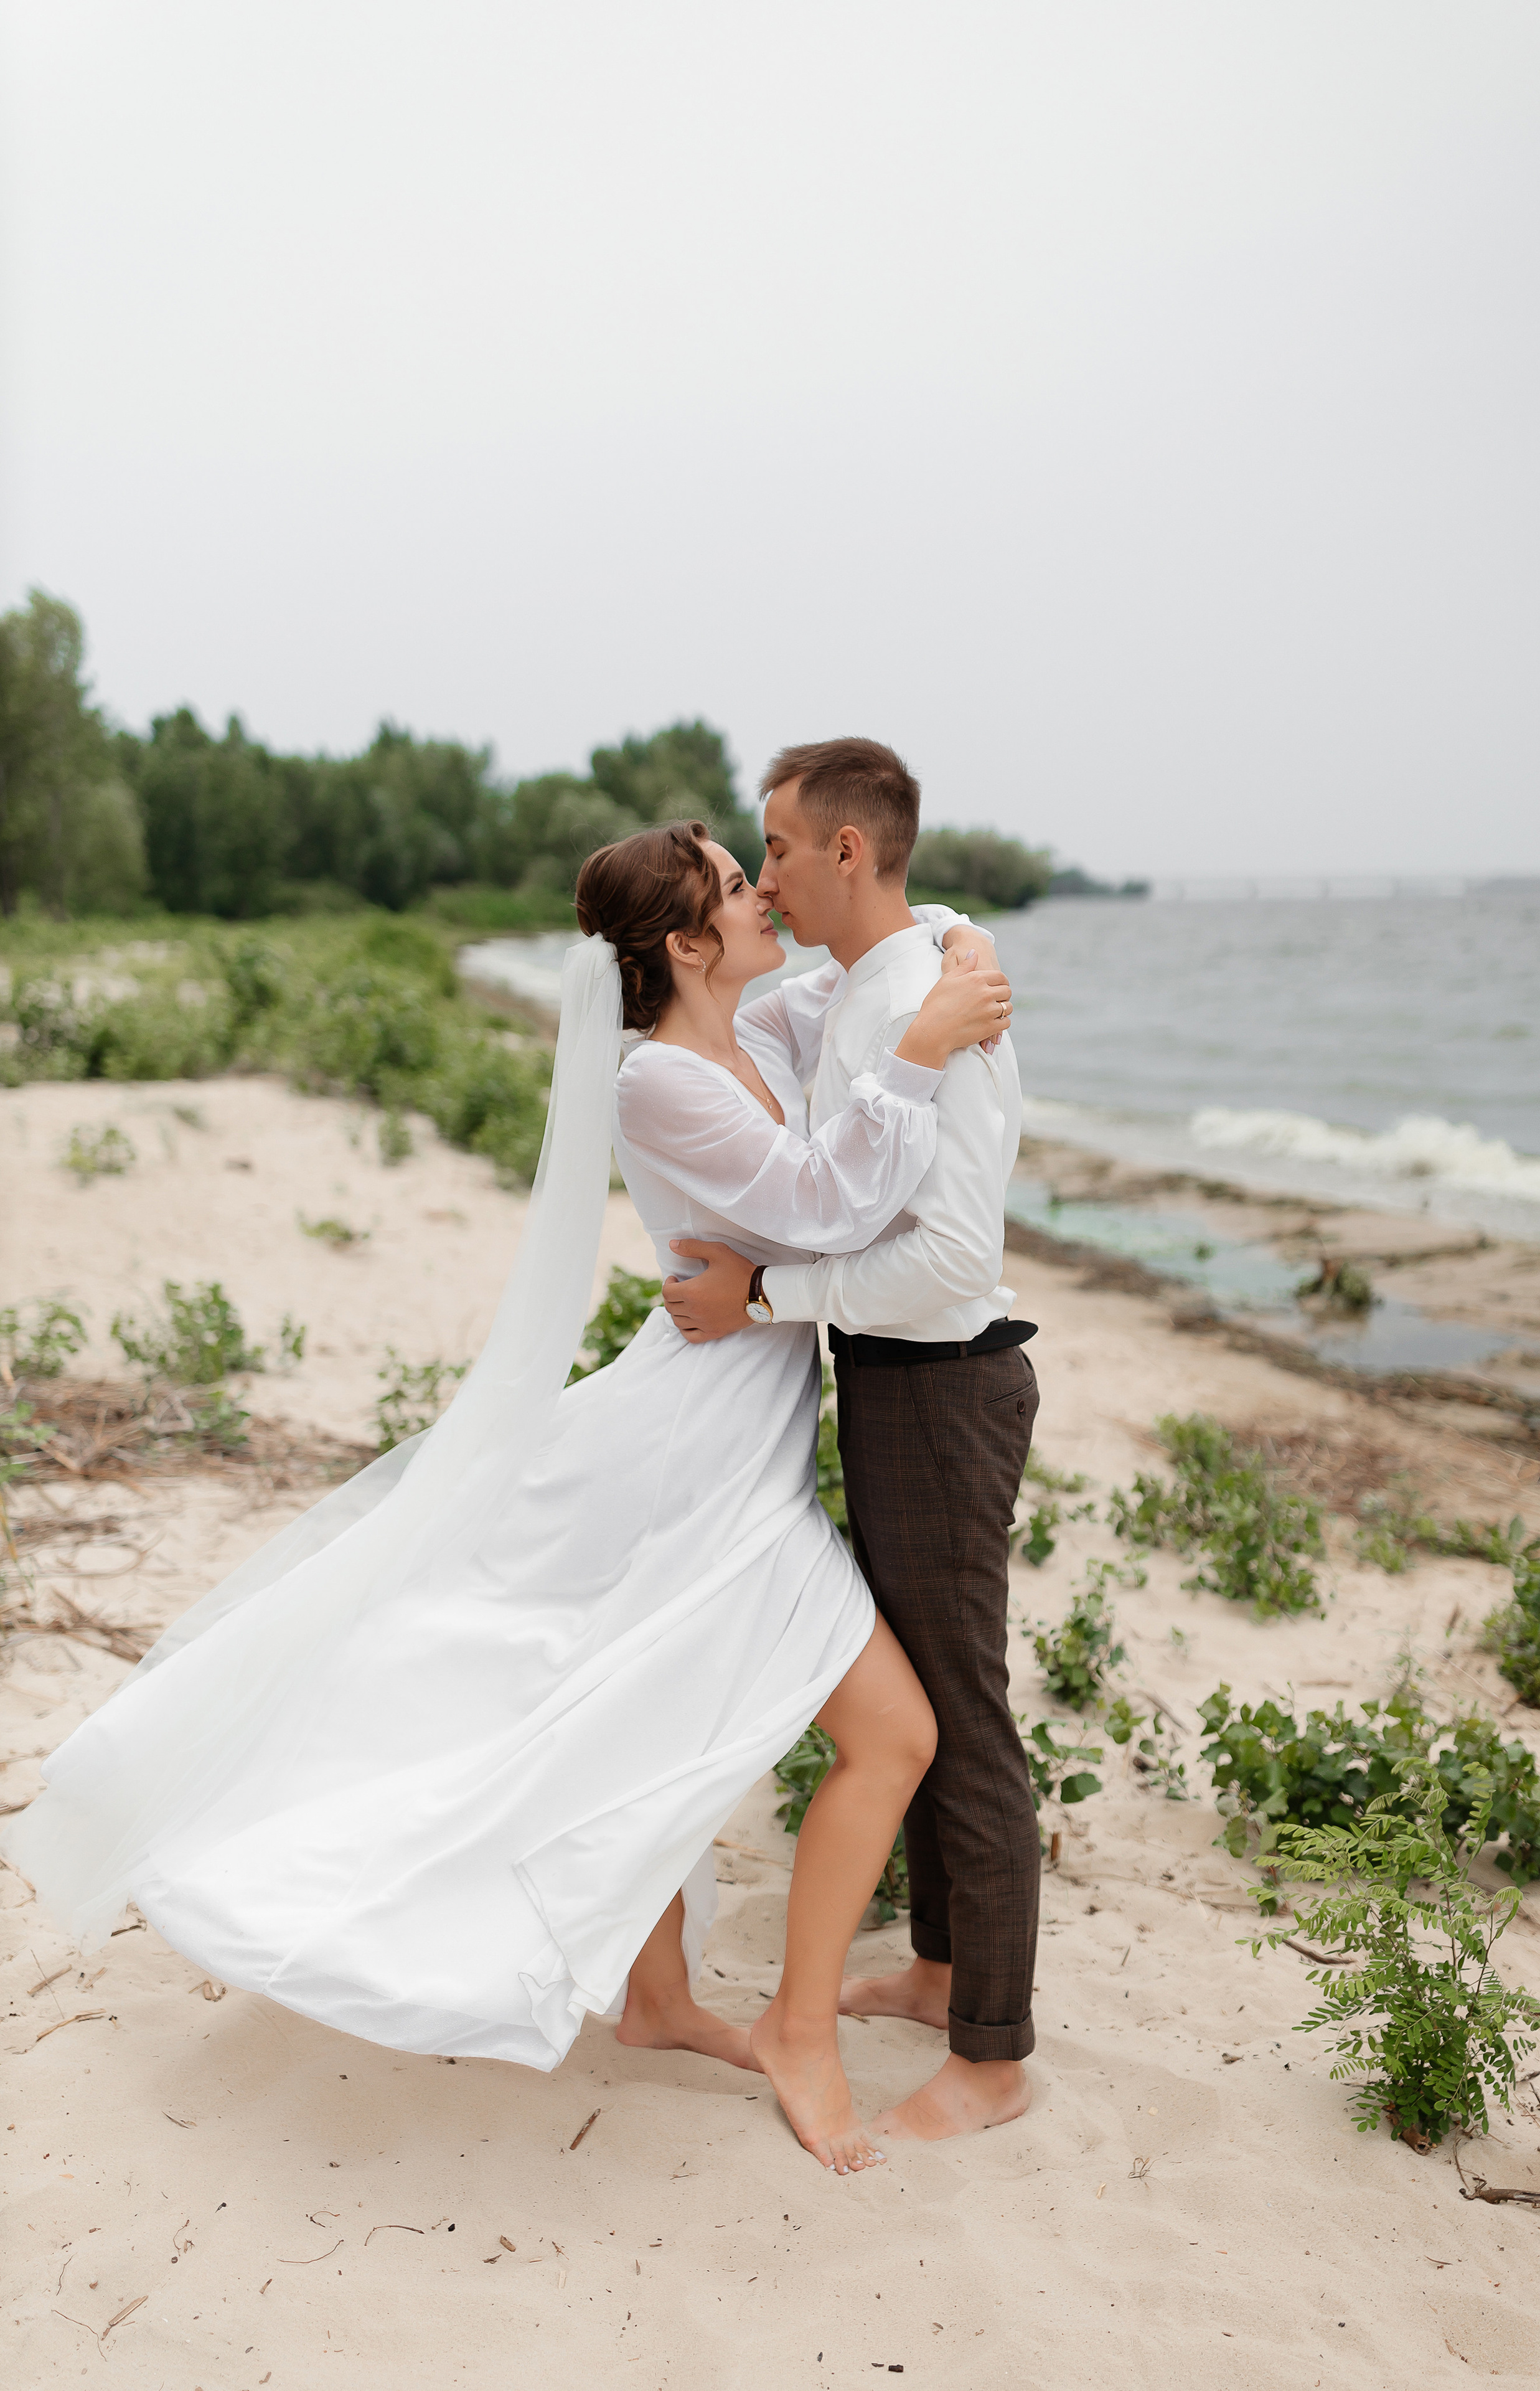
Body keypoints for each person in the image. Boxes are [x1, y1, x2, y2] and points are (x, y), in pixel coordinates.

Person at [2, 818, 1010, 2179]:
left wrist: (954, 941)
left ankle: (655, 2001)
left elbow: (871, 945)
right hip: (692, 1460)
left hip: (736, 1441)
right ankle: (797, 2034)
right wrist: (922, 1050)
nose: (765, 894)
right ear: (687, 943)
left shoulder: (756, 1035)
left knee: (647, 1698)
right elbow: (825, 1209)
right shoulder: (659, 1084)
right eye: (735, 884)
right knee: (887, 1733)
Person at [661, 740, 1036, 2146]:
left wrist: (764, 1293)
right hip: (885, 1382)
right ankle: (940, 1971)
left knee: (961, 1714)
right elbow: (869, 970)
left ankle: (993, 2055)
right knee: (930, 1696)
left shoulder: (930, 1008)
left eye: (772, 848)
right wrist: (955, 930)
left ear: (843, 852)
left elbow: (944, 1267)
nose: (762, 874)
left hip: (940, 1382)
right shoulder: (878, 981)